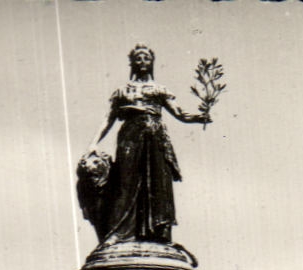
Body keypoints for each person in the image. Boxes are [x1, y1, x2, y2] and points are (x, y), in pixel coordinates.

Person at [84, 44, 210, 246]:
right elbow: (109, 119)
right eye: (138, 58)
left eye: (146, 58)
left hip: (155, 137)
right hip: (130, 136)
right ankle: (119, 231)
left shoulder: (160, 90)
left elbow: (180, 113)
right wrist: (93, 144)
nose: (142, 61)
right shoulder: (122, 91)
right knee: (125, 181)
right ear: (132, 62)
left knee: (157, 182)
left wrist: (198, 117)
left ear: (152, 62)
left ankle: (159, 232)